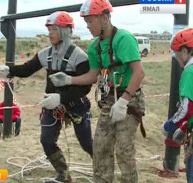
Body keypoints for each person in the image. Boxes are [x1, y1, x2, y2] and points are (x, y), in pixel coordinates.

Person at [49, 0, 145, 182]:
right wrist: (70, 79)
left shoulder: (123, 39)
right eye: (86, 22)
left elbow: (139, 73)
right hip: (109, 100)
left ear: (105, 18)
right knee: (100, 148)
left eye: (90, 21)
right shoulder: (95, 47)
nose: (88, 26)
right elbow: (93, 76)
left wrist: (124, 101)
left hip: (130, 98)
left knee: (124, 151)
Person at [0, 11, 93, 183]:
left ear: (65, 31)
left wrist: (61, 99)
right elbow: (27, 69)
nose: (50, 33)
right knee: (47, 140)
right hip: (52, 105)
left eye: (54, 29)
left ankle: (103, 171)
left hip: (76, 105)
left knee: (87, 144)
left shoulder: (80, 56)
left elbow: (85, 87)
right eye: (49, 29)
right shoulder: (45, 54)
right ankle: (63, 175)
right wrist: (10, 71)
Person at [162, 28, 193, 183]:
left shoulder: (191, 71)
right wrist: (184, 127)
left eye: (176, 53)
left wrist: (168, 126)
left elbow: (186, 108)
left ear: (184, 51)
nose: (175, 58)